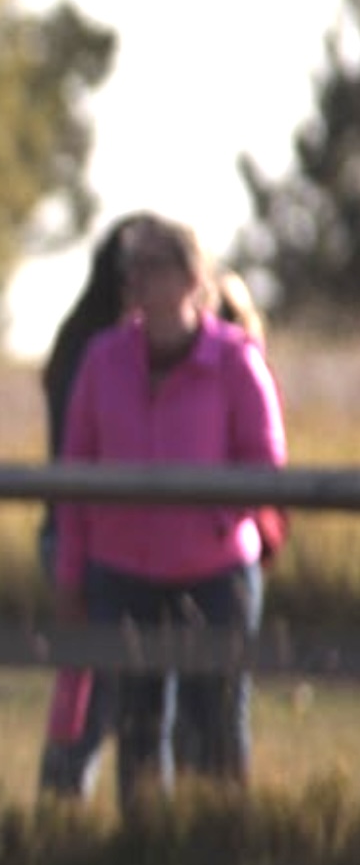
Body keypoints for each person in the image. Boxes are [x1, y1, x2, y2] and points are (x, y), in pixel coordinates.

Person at [52, 212, 287, 809]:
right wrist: (72, 574)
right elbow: (76, 472)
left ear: (190, 278)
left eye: (152, 266)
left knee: (218, 715)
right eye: (132, 267)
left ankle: (219, 840)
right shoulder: (103, 360)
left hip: (215, 573)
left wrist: (218, 520)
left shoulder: (234, 360)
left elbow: (266, 463)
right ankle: (148, 844)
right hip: (122, 570)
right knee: (137, 722)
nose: (135, 279)